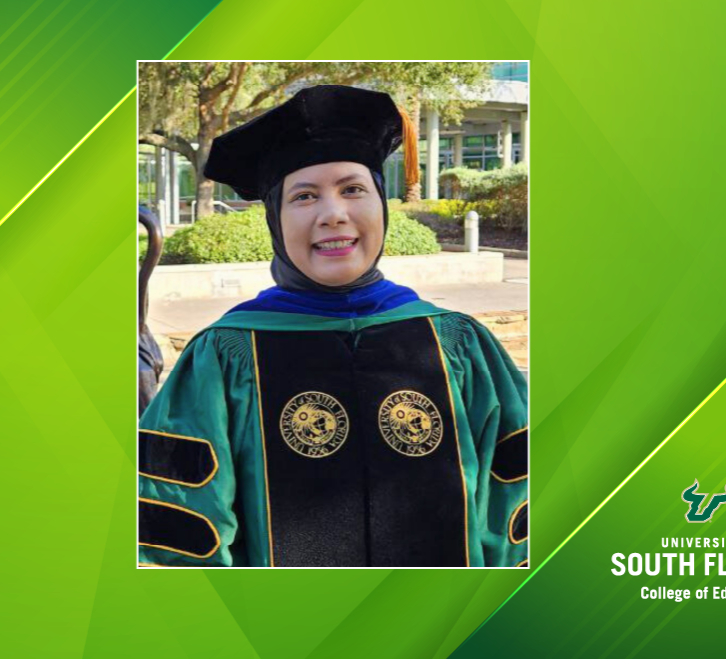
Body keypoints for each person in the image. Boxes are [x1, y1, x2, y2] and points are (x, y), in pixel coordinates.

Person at [138, 85, 527, 567]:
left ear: (381, 205)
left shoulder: (460, 346)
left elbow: (518, 511)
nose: (333, 214)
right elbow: (177, 530)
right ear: (276, 224)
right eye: (303, 196)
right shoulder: (224, 356)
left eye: (353, 189)